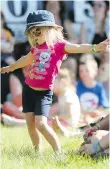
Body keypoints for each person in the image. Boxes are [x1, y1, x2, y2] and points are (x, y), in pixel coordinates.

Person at [0, 10, 109, 153]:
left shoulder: (59, 46)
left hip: (43, 93)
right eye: (32, 33)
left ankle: (59, 152)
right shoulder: (36, 48)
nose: (34, 36)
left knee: (41, 124)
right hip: (28, 90)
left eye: (37, 31)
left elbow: (78, 48)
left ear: (49, 29)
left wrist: (96, 47)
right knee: (31, 126)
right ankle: (36, 152)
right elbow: (25, 60)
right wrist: (10, 67)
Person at [49, 68, 80, 137]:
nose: (51, 87)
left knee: (46, 123)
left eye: (53, 83)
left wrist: (56, 118)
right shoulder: (61, 95)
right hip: (65, 122)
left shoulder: (68, 95)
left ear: (62, 82)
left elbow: (69, 114)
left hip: (69, 124)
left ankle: (63, 131)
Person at [76, 60, 109, 125]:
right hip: (81, 115)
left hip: (94, 115)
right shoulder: (77, 86)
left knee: (105, 114)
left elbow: (103, 105)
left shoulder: (99, 87)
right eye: (81, 71)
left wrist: (93, 113)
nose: (83, 73)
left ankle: (92, 122)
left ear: (95, 71)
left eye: (87, 70)